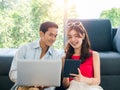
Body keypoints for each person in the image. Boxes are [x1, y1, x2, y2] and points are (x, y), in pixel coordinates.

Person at [9, 21, 63, 90]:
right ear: (41, 34)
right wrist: (30, 82)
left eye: (55, 36)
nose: (53, 39)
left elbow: (53, 82)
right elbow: (13, 73)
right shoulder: (25, 49)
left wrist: (43, 86)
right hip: (23, 87)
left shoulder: (56, 55)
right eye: (50, 35)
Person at [62, 22, 103, 90]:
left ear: (83, 35)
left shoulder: (94, 55)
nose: (73, 39)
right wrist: (66, 77)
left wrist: (83, 79)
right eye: (70, 37)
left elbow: (97, 81)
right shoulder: (65, 58)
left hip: (90, 87)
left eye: (76, 36)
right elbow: (65, 86)